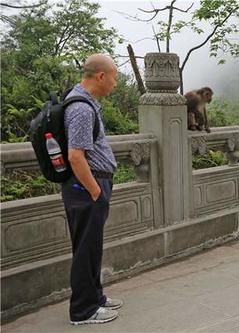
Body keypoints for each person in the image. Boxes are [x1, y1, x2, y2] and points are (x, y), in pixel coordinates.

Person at [62, 54, 122, 325]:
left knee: (92, 246)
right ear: (101, 76)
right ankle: (83, 310)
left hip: (90, 184)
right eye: (115, 77)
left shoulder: (85, 102)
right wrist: (95, 191)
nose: (116, 83)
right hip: (86, 187)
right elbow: (76, 156)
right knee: (86, 248)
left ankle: (95, 298)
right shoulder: (82, 109)